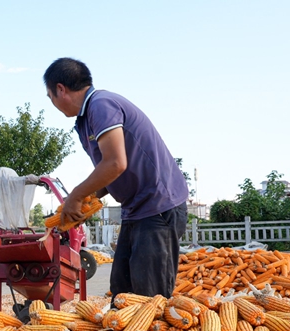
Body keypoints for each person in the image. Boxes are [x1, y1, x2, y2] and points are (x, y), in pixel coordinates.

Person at [43, 57, 188, 303]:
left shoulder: (101, 105)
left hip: (158, 208)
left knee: (148, 301)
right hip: (136, 210)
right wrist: (85, 201)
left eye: (50, 97)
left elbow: (115, 163)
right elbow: (110, 172)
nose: (53, 104)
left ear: (60, 89)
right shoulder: (86, 117)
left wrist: (77, 195)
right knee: (122, 295)